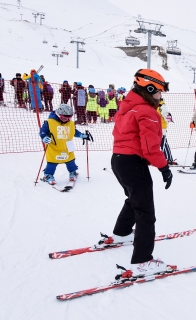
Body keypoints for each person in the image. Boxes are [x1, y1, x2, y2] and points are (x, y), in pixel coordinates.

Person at [106, 68, 173, 278]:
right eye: (160, 92)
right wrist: (164, 167)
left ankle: (121, 233)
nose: (161, 96)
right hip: (133, 163)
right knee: (145, 212)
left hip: (119, 160)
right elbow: (150, 146)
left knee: (134, 199)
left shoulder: (128, 107)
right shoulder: (147, 111)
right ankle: (143, 261)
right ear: (150, 88)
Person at [39, 104, 93, 184]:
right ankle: (48, 175)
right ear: (58, 114)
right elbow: (43, 131)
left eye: (69, 118)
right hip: (54, 147)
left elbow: (74, 131)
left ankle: (73, 172)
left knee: (70, 161)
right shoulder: (49, 122)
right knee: (52, 162)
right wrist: (44, 137)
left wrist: (82, 135)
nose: (66, 120)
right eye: (63, 118)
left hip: (67, 146)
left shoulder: (70, 123)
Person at [158, 98, 177, 165]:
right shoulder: (154, 105)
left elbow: (166, 114)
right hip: (155, 128)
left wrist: (169, 118)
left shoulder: (161, 105)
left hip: (161, 128)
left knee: (163, 143)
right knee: (157, 143)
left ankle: (168, 159)